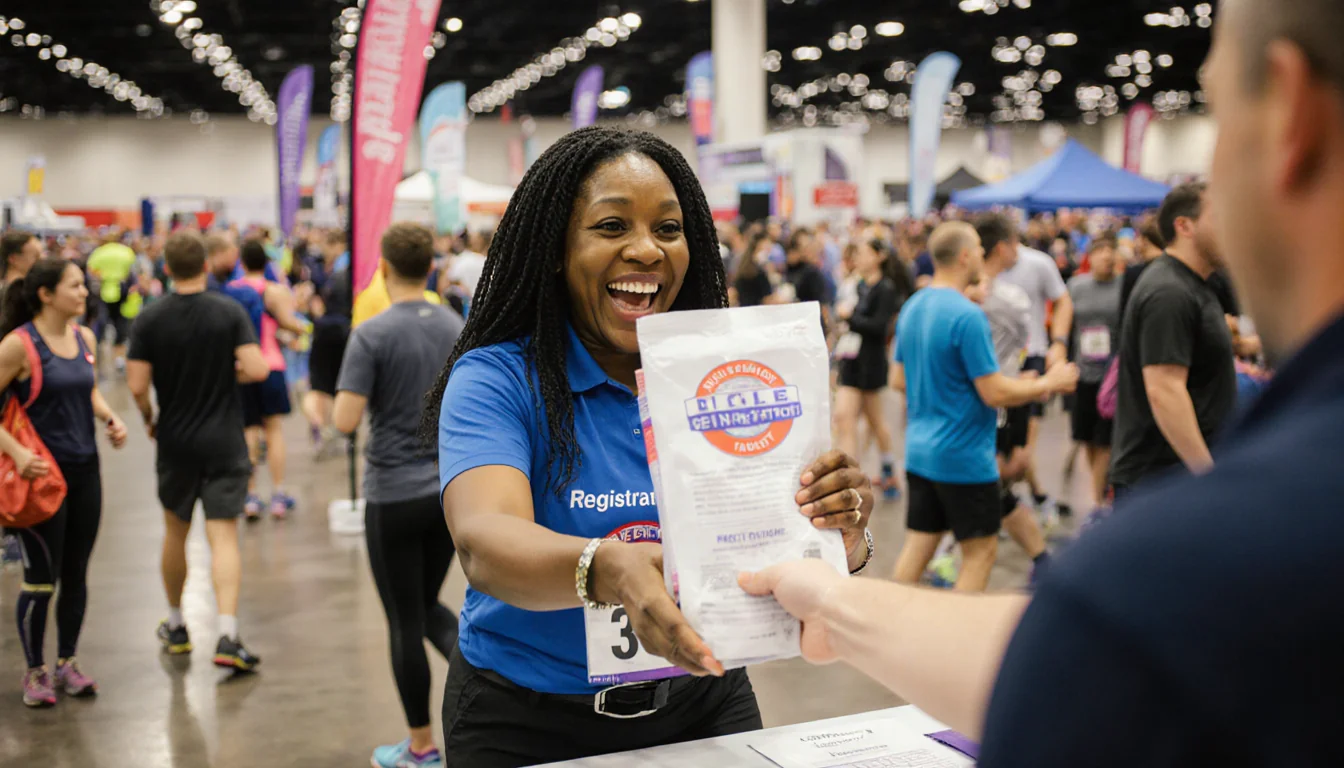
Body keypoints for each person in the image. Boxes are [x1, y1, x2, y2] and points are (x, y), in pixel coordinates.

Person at [743, 2, 1344, 764]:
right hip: (962, 455)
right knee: (976, 548)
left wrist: (835, 603)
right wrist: (834, 599)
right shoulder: (1212, 564)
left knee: (970, 545)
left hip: (945, 455)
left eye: (1220, 111)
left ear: (1289, 114)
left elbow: (1086, 656)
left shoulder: (1199, 561)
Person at [424, 127, 874, 767]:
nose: (646, 249)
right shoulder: (497, 378)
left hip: (704, 702)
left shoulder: (730, 380)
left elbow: (773, 544)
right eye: (611, 227)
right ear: (555, 249)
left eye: (669, 228)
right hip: (526, 721)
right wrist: (608, 568)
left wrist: (840, 531)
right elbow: (485, 539)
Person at [332, 223, 465, 768]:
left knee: (405, 619)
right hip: (448, 496)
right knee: (427, 606)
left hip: (391, 496)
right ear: (431, 267)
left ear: (384, 269)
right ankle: (494, 687)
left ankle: (420, 747)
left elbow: (344, 419)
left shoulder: (372, 333)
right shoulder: (458, 325)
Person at [889, 222, 1077, 592]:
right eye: (977, 248)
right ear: (964, 257)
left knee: (919, 546)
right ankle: (956, 645)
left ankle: (883, 634)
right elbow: (993, 392)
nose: (981, 255)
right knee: (980, 553)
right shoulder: (968, 315)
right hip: (963, 456)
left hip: (920, 452)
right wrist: (1048, 383)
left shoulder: (914, 305)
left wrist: (948, 385)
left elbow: (898, 380)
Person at [127, 232, 268, 672]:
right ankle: (227, 635)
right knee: (223, 536)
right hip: (224, 439)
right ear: (205, 266)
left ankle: (176, 625)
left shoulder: (150, 319)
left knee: (176, 532)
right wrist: (228, 375)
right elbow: (259, 368)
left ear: (165, 269)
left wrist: (150, 416)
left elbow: (135, 385)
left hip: (176, 439)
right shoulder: (228, 311)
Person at [0, 257, 127, 707]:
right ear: (46, 294)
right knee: (40, 580)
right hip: (39, 480)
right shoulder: (18, 346)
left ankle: (67, 662)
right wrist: (18, 453)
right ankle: (34, 671)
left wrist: (110, 417)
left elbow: (86, 386)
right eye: (74, 286)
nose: (84, 293)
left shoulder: (84, 337)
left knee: (76, 574)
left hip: (84, 470)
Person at [1109, 183, 1236, 498]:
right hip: (1162, 478)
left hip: (1176, 474)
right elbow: (1164, 390)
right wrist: (1208, 475)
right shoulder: (1169, 291)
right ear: (1184, 226)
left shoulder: (1196, 283)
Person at [974, 215, 1053, 583]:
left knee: (1001, 477)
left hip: (1002, 394)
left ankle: (1043, 560)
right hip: (984, 400)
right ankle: (1043, 560)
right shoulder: (967, 297)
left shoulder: (1006, 295)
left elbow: (1018, 347)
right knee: (990, 484)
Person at [997, 234, 1074, 522]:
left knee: (1019, 455)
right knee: (1003, 453)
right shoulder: (979, 269)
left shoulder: (1038, 263)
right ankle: (1030, 499)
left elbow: (1063, 301)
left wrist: (1060, 342)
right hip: (995, 365)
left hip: (1032, 359)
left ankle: (1029, 501)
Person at [231, 239, 309, 520]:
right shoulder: (274, 291)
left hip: (242, 368)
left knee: (248, 430)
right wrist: (303, 328)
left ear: (242, 262)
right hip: (272, 365)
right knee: (273, 431)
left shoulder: (232, 292)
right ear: (266, 263)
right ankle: (278, 494)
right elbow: (288, 323)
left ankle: (251, 495)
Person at [833, 238, 902, 498]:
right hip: (851, 360)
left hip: (871, 362)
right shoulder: (858, 286)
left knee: (876, 422)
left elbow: (879, 327)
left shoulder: (885, 289)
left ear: (879, 256)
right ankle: (849, 477)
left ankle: (888, 469)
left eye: (863, 253)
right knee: (843, 417)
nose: (859, 259)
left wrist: (850, 317)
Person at [1066, 235, 1122, 510]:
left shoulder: (1124, 286)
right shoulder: (1076, 286)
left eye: (1110, 252)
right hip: (1083, 371)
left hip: (1112, 375)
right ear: (1091, 257)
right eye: (1100, 252)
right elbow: (1066, 323)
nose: (1106, 257)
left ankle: (1097, 500)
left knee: (1105, 441)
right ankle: (1099, 488)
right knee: (1087, 438)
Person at [0, 230, 44, 566]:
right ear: (15, 257)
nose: (40, 260)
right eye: (34, 254)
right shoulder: (12, 296)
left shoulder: (28, 293)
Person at [304, 230, 352, 457]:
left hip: (326, 331)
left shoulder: (333, 271)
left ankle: (321, 427)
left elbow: (311, 302)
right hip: (344, 332)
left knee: (318, 387)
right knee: (339, 385)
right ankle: (335, 429)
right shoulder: (341, 269)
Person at [85, 232, 137, 370]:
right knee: (121, 326)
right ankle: (119, 359)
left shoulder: (98, 253)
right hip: (122, 293)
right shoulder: (126, 252)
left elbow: (90, 272)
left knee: (100, 325)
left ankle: (94, 356)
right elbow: (132, 272)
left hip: (103, 292)